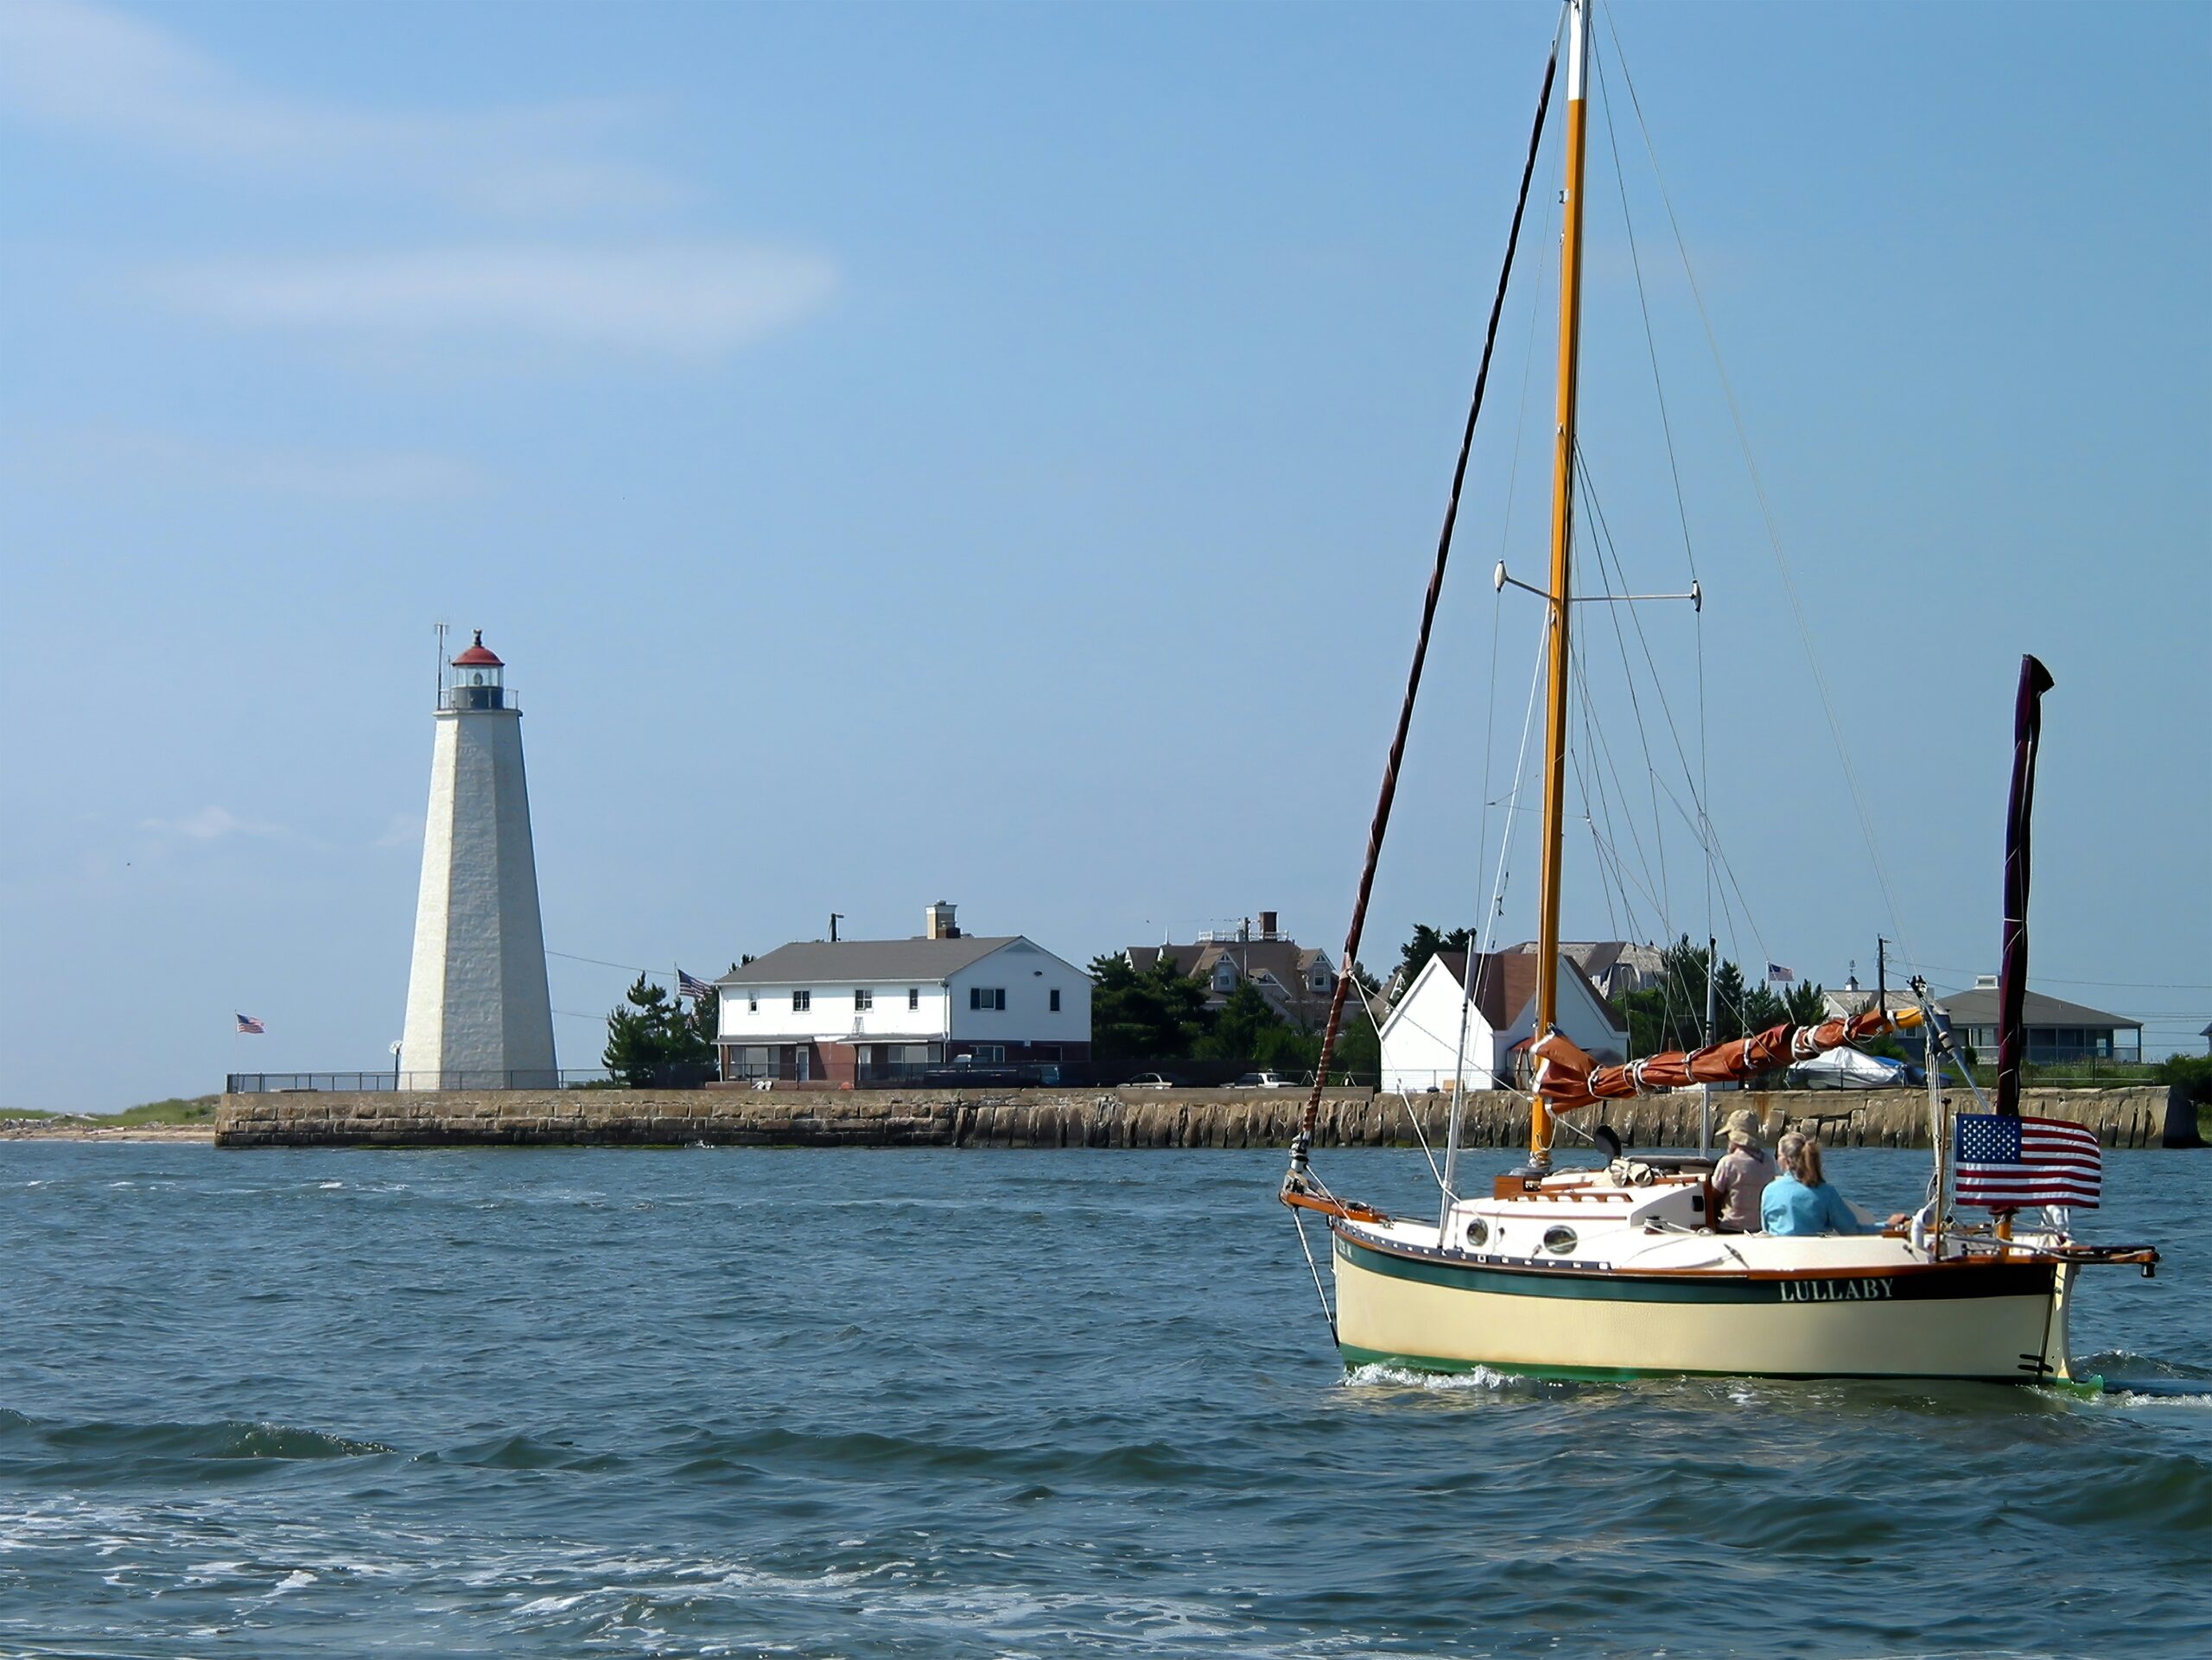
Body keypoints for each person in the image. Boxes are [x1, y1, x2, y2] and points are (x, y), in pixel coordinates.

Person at [1761, 1132, 1908, 1237]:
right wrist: (1889, 1225)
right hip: (1812, 1259)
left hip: (1779, 1259)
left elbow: (1767, 1229)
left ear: (1784, 1160)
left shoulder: (1769, 1191)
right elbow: (1851, 1231)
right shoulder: (1825, 1192)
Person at [1707, 1108, 1773, 1233]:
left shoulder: (1728, 1162)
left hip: (1730, 1228)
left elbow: (1712, 1195)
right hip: (1759, 1229)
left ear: (1733, 1138)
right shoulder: (1768, 1161)